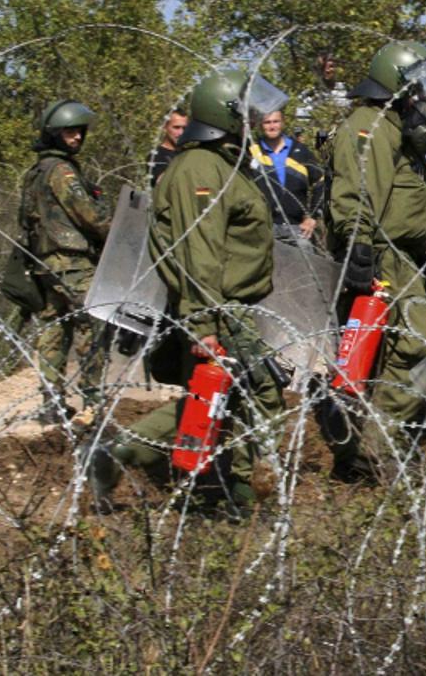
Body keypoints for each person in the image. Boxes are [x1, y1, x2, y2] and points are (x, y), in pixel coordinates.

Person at [88, 69, 291, 514]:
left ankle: (135, 457)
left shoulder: (220, 163)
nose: (255, 120)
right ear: (224, 113)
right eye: (246, 112)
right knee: (260, 391)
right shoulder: (199, 168)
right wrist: (204, 324)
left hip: (229, 304)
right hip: (215, 307)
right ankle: (246, 493)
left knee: (229, 395)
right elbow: (197, 251)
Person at [325, 40, 426, 479]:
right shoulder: (370, 127)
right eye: (416, 87)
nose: (423, 96)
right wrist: (361, 251)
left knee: (386, 355)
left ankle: (359, 449)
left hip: (405, 257)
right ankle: (375, 450)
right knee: (416, 349)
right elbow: (356, 193)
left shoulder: (396, 126)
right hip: (383, 256)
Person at [21, 99, 112, 423]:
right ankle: (93, 403)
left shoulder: (37, 170)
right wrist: (115, 227)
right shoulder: (61, 170)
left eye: (79, 132)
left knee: (53, 331)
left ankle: (52, 404)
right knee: (94, 323)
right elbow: (88, 214)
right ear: (55, 134)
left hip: (45, 263)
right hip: (70, 262)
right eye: (70, 132)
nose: (76, 138)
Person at [250, 107, 323, 246]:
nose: (272, 126)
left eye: (276, 121)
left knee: (306, 262)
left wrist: (313, 217)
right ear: (261, 125)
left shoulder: (301, 151)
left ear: (283, 122)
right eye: (267, 122)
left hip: (297, 228)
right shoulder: (252, 152)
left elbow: (322, 183)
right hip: (262, 228)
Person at [149, 108, 187, 186]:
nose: (181, 133)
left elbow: (200, 186)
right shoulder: (156, 156)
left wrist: (206, 194)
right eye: (176, 127)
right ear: (165, 127)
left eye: (184, 128)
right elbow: (165, 185)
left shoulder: (189, 153)